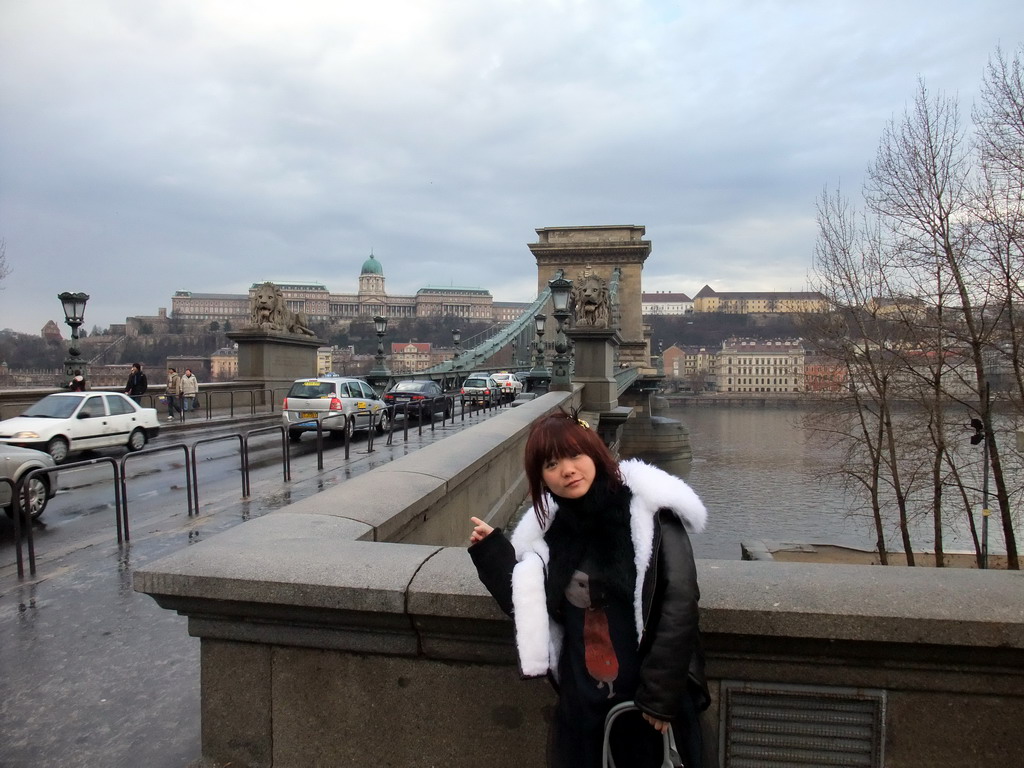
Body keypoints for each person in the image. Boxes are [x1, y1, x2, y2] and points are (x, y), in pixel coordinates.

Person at [469, 409, 711, 768]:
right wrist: (494, 555)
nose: (566, 469)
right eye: (551, 464)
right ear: (542, 479)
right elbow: (535, 612)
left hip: (647, 706)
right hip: (582, 710)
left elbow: (680, 601)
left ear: (595, 453)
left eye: (575, 455)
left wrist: (660, 695)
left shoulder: (650, 511)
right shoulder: (548, 532)